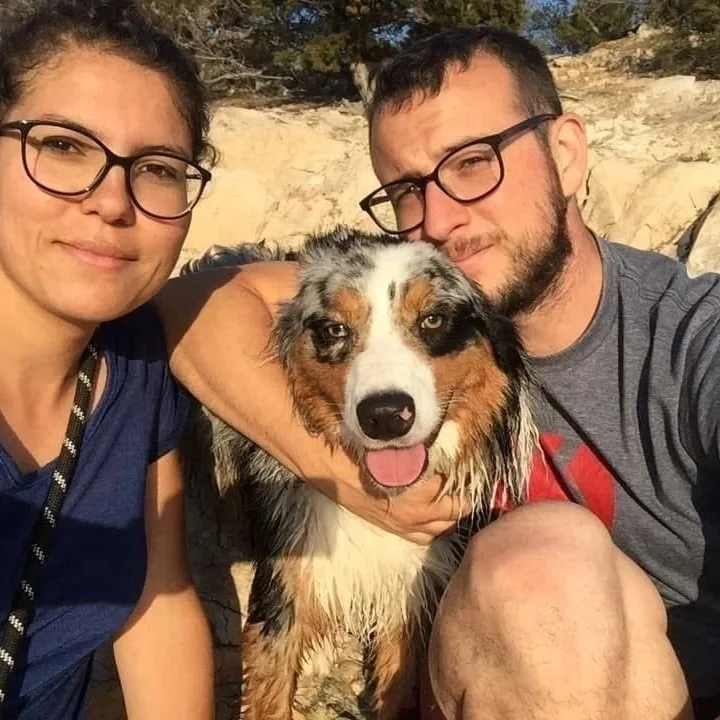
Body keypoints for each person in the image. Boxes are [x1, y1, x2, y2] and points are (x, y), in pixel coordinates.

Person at [158, 25, 720, 720]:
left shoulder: (689, 341)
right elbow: (189, 305)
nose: (441, 220)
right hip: (493, 671)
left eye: (473, 163)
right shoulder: (408, 287)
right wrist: (342, 475)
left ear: (567, 154)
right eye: (406, 190)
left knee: (541, 565)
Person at [0, 0, 215, 717]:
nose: (112, 202)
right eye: (64, 146)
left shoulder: (136, 364)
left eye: (156, 167)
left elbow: (157, 600)